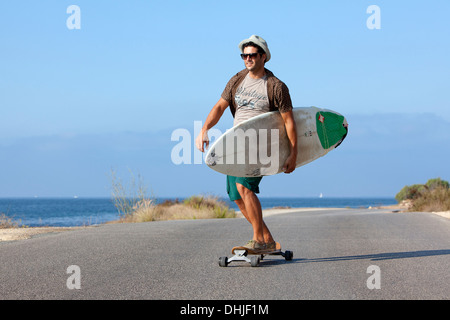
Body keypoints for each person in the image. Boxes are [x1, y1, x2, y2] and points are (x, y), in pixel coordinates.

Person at [195, 35, 298, 252]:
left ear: (263, 57)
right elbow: (220, 107)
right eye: (244, 55)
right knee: (237, 195)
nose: (248, 59)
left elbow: (289, 122)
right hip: (236, 144)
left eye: (252, 55)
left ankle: (258, 240)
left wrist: (293, 153)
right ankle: (267, 239)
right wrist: (204, 129)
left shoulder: (276, 86)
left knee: (245, 186)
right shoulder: (236, 80)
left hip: (262, 144)